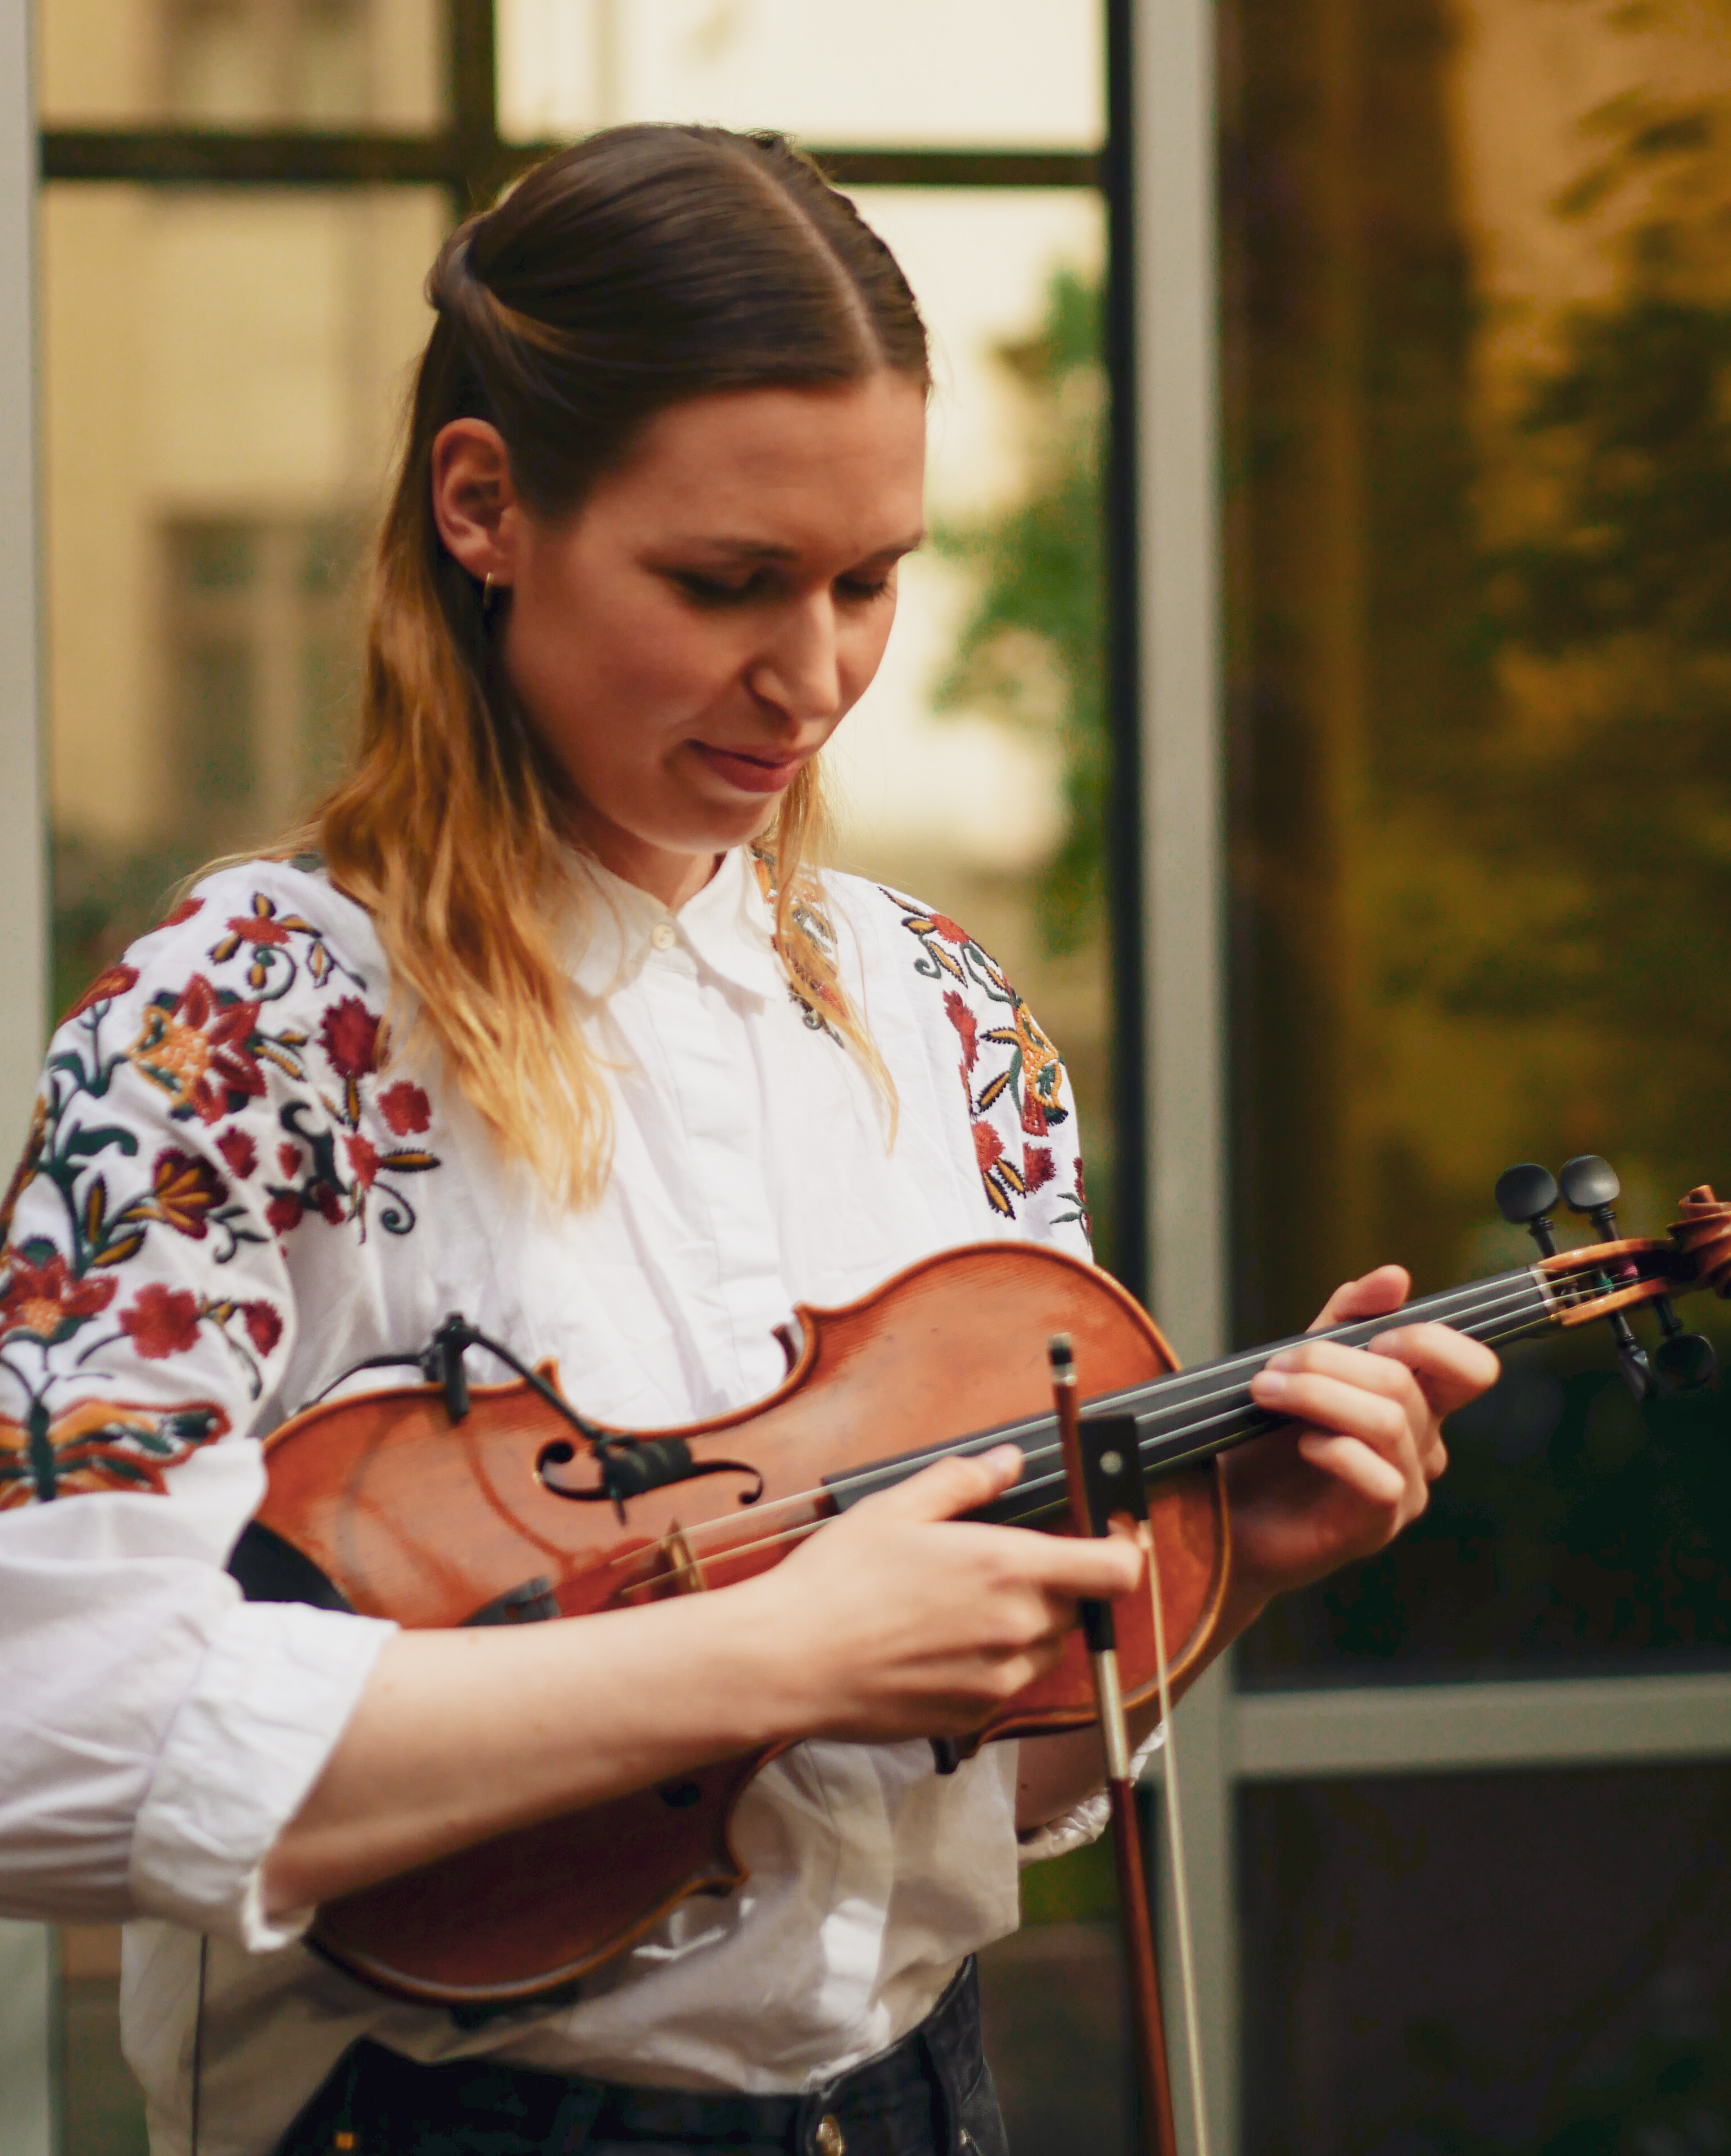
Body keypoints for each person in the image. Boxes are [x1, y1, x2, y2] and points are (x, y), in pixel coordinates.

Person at [0, 126, 1497, 2156]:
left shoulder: (937, 1014)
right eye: (725, 584)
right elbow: (43, 1735)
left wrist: (1214, 1583)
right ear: (485, 506)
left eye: (871, 582)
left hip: (911, 2102)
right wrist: (754, 1651)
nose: (814, 678)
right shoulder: (253, 1021)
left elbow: (962, 1787)